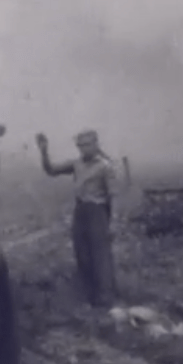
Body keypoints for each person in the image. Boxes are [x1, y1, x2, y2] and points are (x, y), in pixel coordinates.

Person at [35, 129, 121, 308]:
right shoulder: (76, 164)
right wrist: (44, 150)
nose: (83, 149)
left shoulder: (105, 166)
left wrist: (113, 222)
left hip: (98, 211)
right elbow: (51, 170)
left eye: (87, 145)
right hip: (81, 210)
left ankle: (105, 298)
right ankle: (88, 296)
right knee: (82, 253)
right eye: (80, 146)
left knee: (101, 255)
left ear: (96, 144)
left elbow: (114, 195)